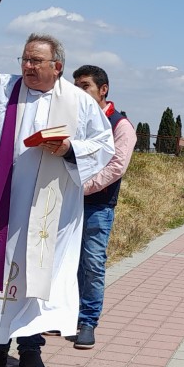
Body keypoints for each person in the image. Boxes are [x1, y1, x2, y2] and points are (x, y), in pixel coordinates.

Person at [0, 9, 114, 367]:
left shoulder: (79, 101)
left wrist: (69, 149)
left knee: (41, 272)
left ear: (57, 66)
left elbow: (104, 146)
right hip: (5, 202)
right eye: (24, 59)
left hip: (50, 209)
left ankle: (31, 350)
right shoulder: (2, 90)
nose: (27, 66)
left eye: (36, 61)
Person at [70, 65, 136, 350]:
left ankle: (88, 321)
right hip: (66, 201)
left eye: (84, 86)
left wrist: (81, 188)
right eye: (75, 85)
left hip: (97, 204)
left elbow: (116, 167)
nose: (77, 91)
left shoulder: (120, 125)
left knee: (92, 263)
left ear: (103, 89)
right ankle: (64, 314)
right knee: (66, 260)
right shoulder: (74, 119)